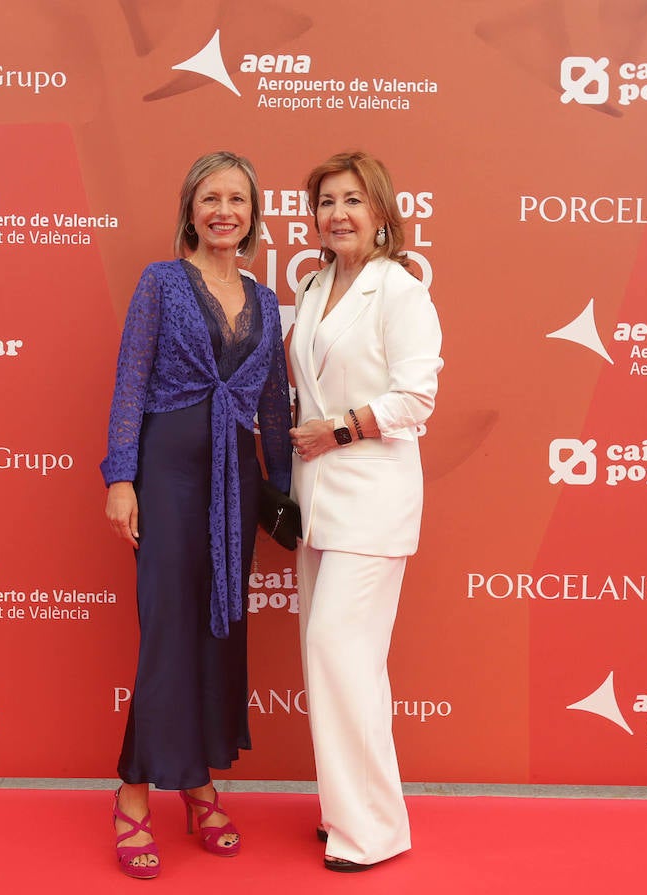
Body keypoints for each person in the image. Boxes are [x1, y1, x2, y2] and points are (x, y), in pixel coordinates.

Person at [100, 151, 293, 880]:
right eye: (211, 198)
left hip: (234, 480)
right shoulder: (161, 282)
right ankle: (132, 791)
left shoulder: (264, 298)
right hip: (169, 474)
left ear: (252, 213)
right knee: (169, 632)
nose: (224, 211)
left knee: (219, 626)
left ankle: (199, 780)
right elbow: (129, 382)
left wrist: (282, 491)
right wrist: (123, 478)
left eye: (237, 200)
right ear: (190, 208)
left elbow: (272, 405)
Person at [287, 151, 443, 872]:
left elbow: (417, 398)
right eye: (325, 201)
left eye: (352, 200)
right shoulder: (316, 284)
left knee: (339, 652)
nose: (337, 213)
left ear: (380, 211)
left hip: (374, 499)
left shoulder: (401, 289)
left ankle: (372, 830)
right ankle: (349, 811)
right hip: (316, 502)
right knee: (338, 665)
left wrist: (341, 428)